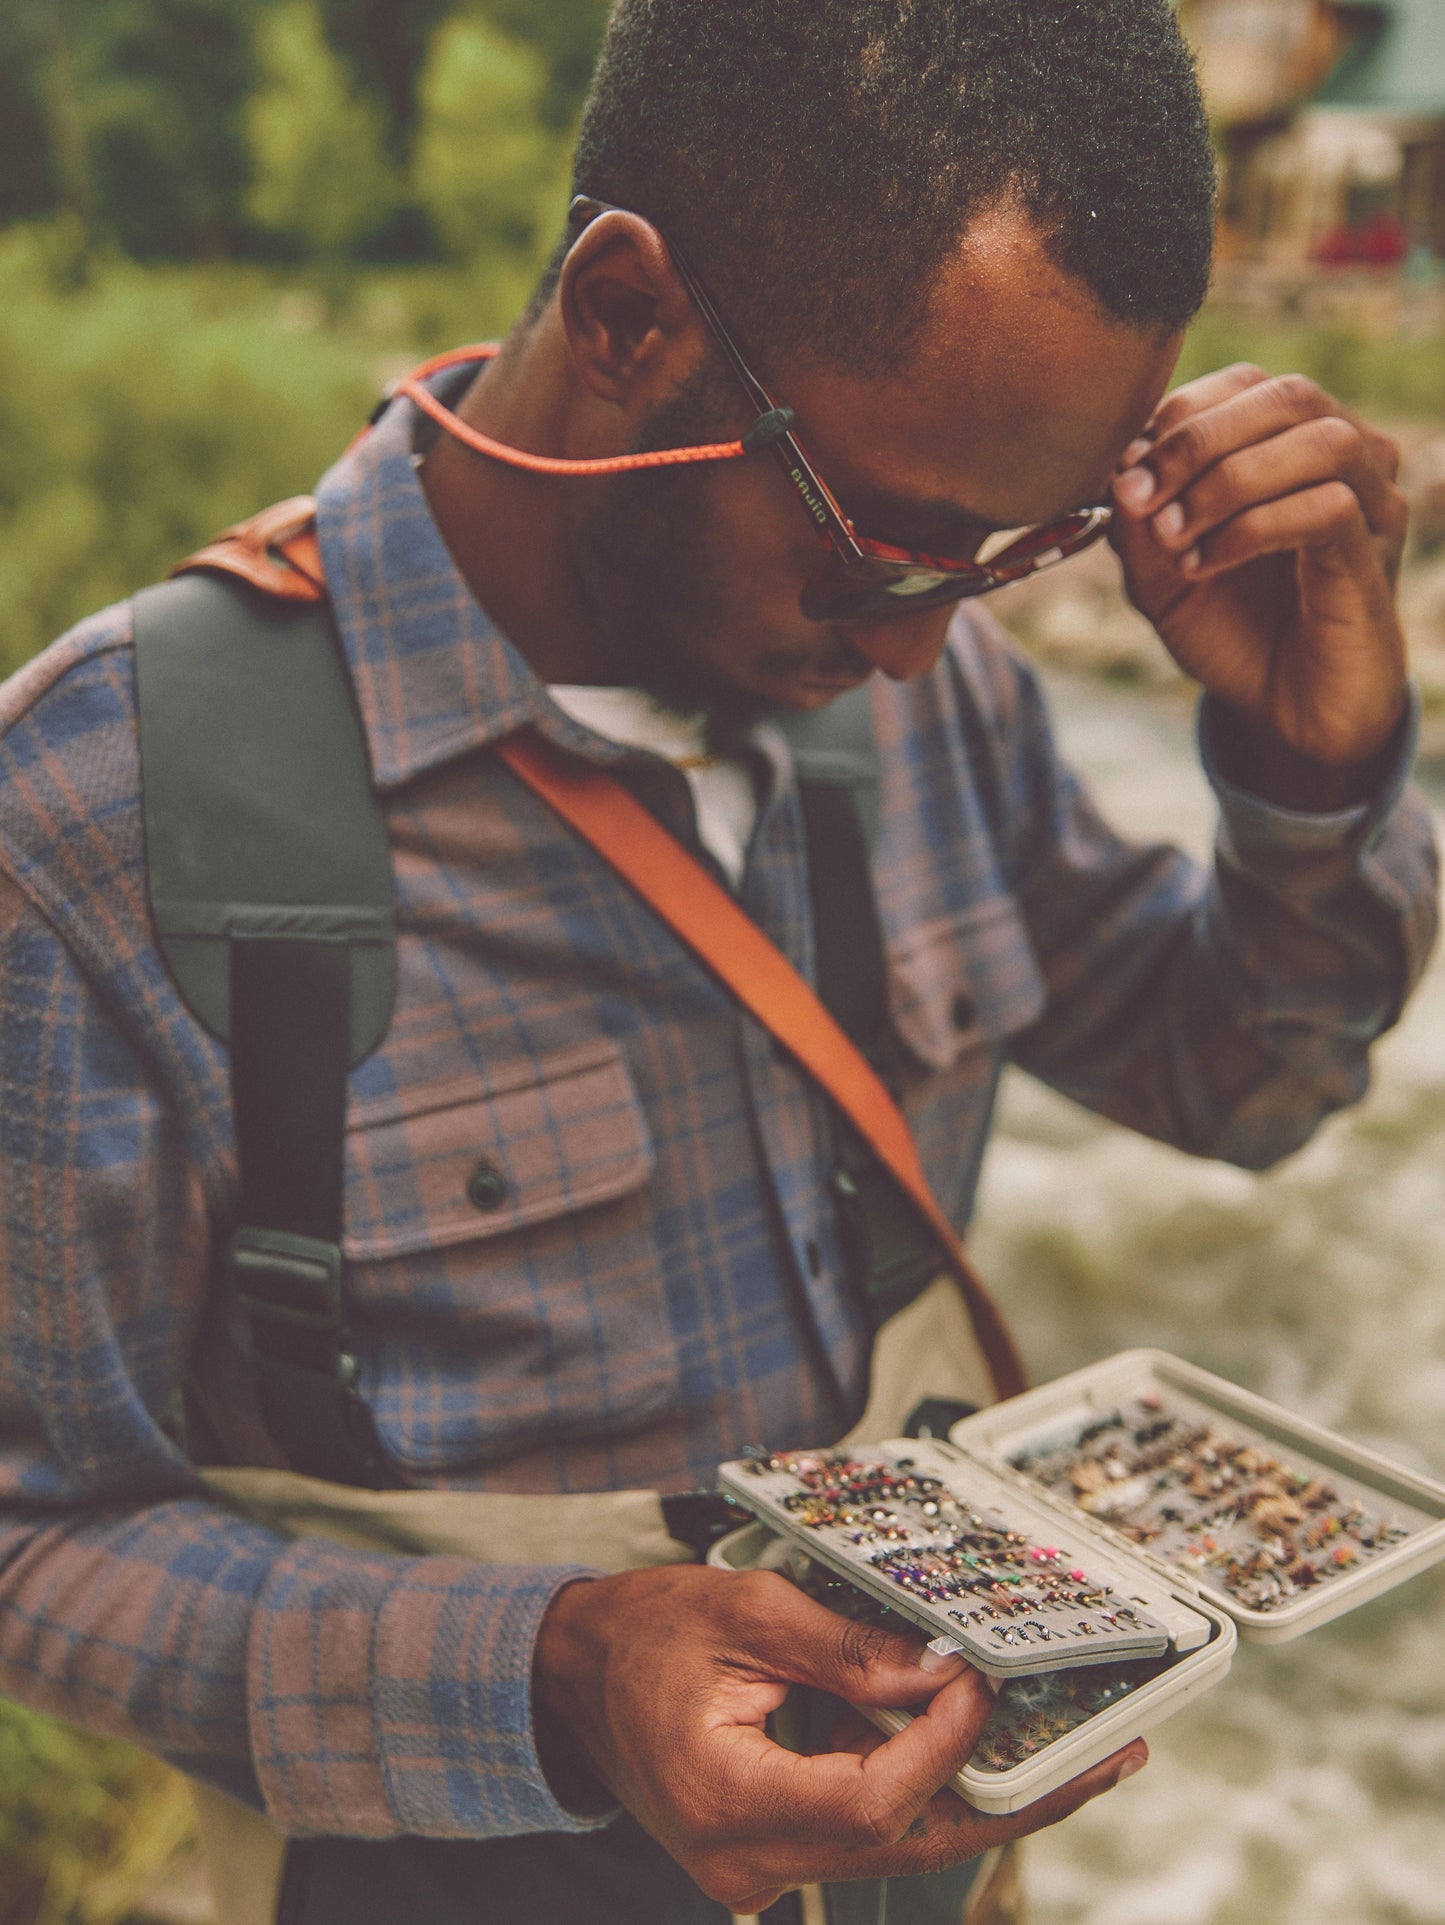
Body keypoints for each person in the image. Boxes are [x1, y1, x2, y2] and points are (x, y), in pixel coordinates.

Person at [0, 2, 1434, 1922]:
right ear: (624, 315)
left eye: (1014, 555)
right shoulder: (101, 809)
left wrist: (1306, 772)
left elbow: (1240, 1092)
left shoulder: (937, 691)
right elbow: (31, 1533)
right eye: (889, 548)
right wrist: (558, 1675)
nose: (924, 650)